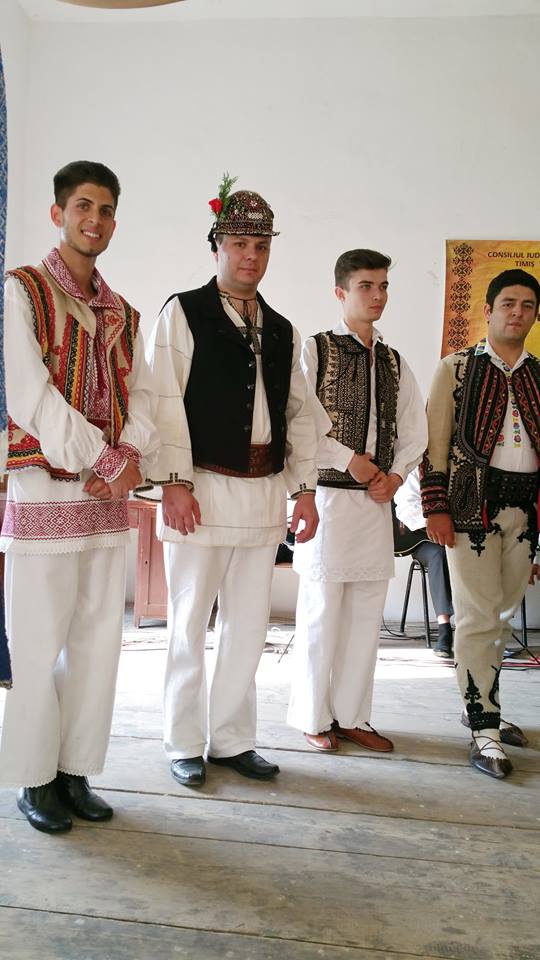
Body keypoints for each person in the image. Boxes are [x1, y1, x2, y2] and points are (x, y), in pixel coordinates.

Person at [0, 161, 159, 832]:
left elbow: (145, 396)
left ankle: (74, 770)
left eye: (106, 210)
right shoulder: (22, 290)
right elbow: (29, 395)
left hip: (106, 498)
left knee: (98, 640)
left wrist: (129, 458)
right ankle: (34, 777)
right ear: (58, 213)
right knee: (38, 642)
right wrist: (104, 456)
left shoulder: (124, 311)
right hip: (45, 490)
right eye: (83, 207)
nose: (95, 220)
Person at [146, 175, 318, 787]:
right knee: (189, 623)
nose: (251, 256)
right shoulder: (182, 312)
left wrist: (303, 490)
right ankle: (182, 742)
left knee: (248, 626)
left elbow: (300, 414)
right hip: (199, 487)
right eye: (240, 243)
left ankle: (233, 740)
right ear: (217, 244)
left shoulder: (282, 328)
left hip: (263, 491)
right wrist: (173, 481)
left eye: (261, 245)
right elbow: (162, 398)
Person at [287, 248, 427, 753]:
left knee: (366, 614)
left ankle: (352, 716)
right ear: (340, 292)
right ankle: (312, 716)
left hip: (375, 504)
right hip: (327, 499)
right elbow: (299, 420)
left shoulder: (393, 360)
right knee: (321, 611)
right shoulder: (316, 349)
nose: (377, 295)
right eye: (366, 285)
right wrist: (350, 460)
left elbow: (415, 429)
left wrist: (395, 475)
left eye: (383, 285)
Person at [421, 268, 540, 780]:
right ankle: (483, 729)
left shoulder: (538, 374)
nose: (518, 312)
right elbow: (435, 444)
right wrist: (436, 507)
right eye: (508, 303)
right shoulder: (456, 369)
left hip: (526, 510)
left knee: (503, 615)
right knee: (476, 618)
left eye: (528, 306)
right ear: (488, 310)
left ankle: (486, 708)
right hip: (472, 509)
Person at [394, 466, 454, 657]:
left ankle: (481, 624)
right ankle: (445, 629)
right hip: (424, 541)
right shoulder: (415, 470)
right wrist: (436, 522)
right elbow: (406, 507)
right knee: (439, 555)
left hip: (459, 540)